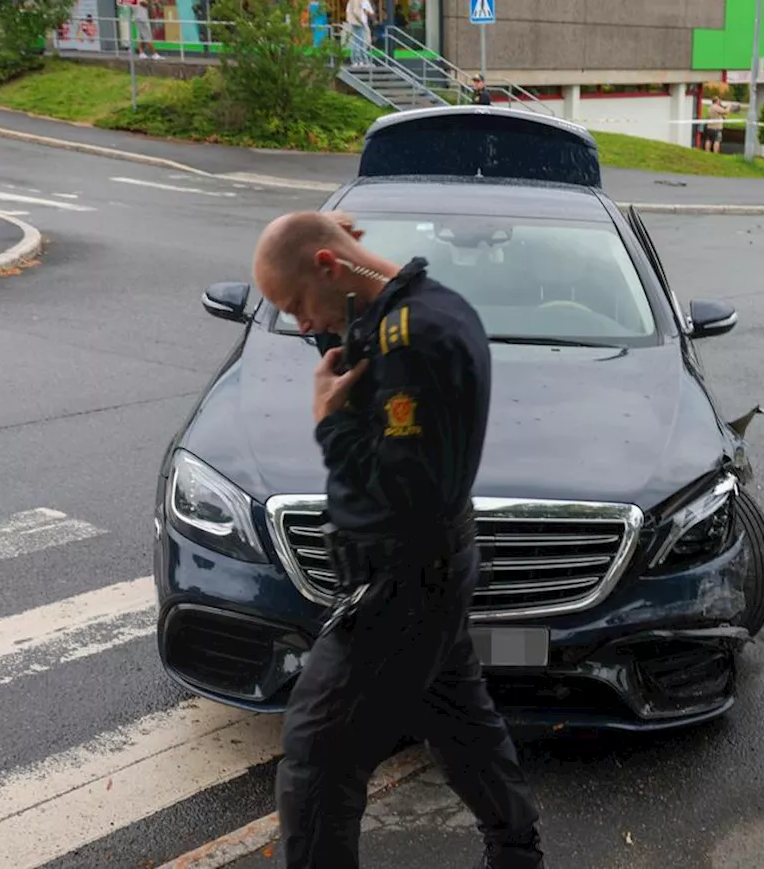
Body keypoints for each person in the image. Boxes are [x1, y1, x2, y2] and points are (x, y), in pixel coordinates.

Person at [251, 211, 546, 869]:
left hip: (402, 582)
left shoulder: (414, 336)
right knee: (458, 719)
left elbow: (407, 491)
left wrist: (331, 421)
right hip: (423, 574)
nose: (302, 323)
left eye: (297, 304)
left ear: (329, 267)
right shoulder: (406, 314)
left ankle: (516, 848)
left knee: (317, 751)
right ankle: (517, 851)